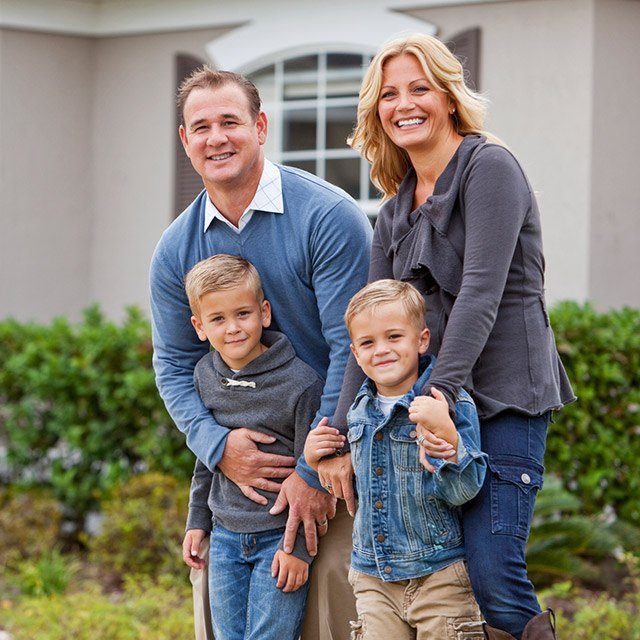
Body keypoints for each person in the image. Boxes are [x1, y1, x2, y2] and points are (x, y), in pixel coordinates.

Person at [319, 34, 574, 640]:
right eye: (389, 94)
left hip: (503, 396)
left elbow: (483, 290)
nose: (403, 104)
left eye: (418, 88)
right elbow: (367, 324)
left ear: (449, 97)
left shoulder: (490, 169)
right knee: (435, 575)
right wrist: (333, 432)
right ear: (375, 110)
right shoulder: (393, 212)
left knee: (492, 569)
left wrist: (437, 397)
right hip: (432, 405)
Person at [150, 67, 372, 640]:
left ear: (261, 126)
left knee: (323, 615)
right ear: (184, 141)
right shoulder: (175, 250)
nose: (216, 138)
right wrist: (217, 447)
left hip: (334, 457)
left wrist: (312, 470)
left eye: (231, 121)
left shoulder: (327, 217)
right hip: (232, 491)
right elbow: (174, 364)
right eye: (201, 127)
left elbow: (353, 351)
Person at [305, 280, 487, 639]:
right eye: (368, 343)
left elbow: (465, 490)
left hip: (438, 575)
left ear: (421, 340)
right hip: (373, 576)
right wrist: (314, 459)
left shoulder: (447, 405)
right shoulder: (356, 412)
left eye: (394, 337)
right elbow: (362, 487)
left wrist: (449, 442)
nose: (381, 350)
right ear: (355, 354)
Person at [180, 255, 322, 639]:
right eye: (218, 319)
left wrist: (299, 551)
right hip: (225, 537)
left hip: (279, 538)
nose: (233, 328)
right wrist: (198, 522)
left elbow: (315, 473)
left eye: (242, 314)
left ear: (264, 312)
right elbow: (207, 458)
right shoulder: (204, 377)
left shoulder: (301, 383)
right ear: (199, 327)